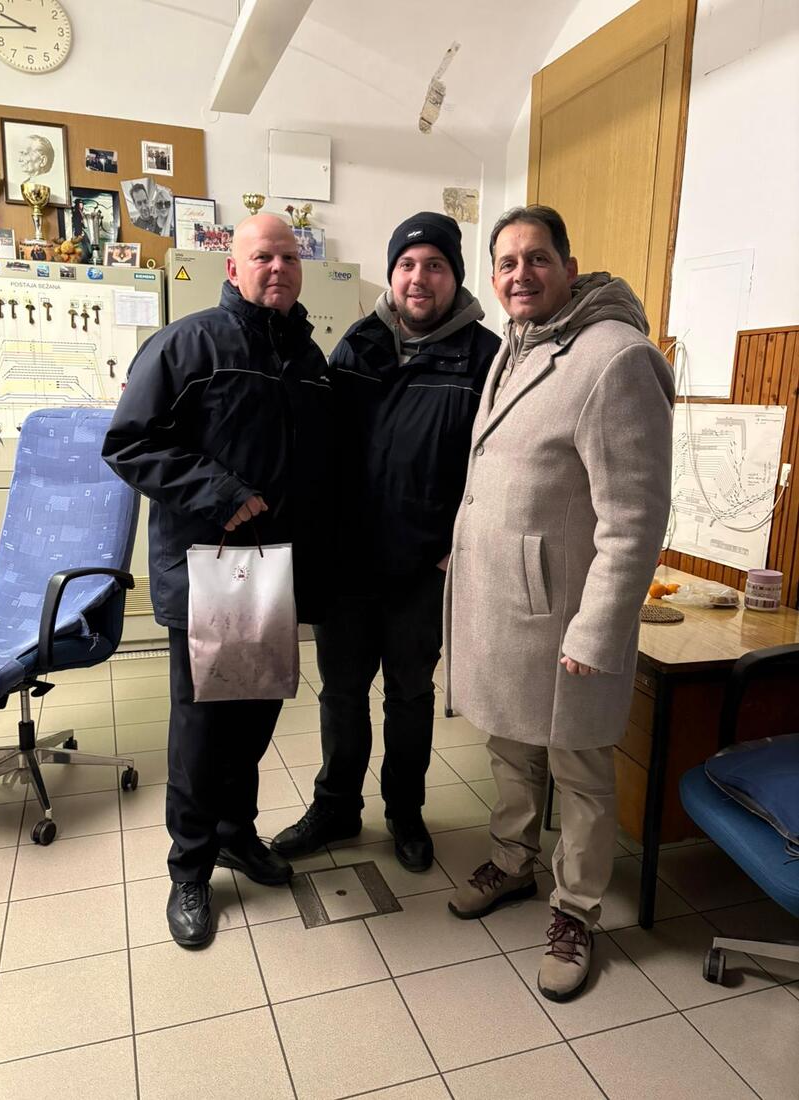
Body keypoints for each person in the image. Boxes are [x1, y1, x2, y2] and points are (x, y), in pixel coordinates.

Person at [444, 205, 674, 1002]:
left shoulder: (614, 358)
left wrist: (598, 629)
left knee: (577, 769)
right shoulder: (517, 345)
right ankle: (513, 861)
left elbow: (634, 518)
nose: (520, 274)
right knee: (509, 748)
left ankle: (574, 910)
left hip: (565, 620)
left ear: (569, 269)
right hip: (503, 607)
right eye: (506, 262)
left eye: (536, 258)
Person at [102, 214, 334, 948]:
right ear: (231, 268)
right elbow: (129, 443)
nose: (278, 267)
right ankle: (190, 868)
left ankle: (236, 834)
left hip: (275, 570)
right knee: (203, 731)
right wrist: (220, 492)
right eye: (262, 256)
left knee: (256, 716)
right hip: (211, 568)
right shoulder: (188, 344)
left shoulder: (308, 358)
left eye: (289, 256)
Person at [272, 212, 499, 872]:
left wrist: (459, 545)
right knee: (341, 693)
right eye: (406, 265)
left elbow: (498, 464)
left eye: (434, 265)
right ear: (392, 274)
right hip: (348, 563)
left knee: (409, 695)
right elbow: (326, 443)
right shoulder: (359, 342)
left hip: (422, 566)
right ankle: (336, 806)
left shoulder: (484, 356)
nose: (418, 277)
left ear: (456, 276)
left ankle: (404, 810)